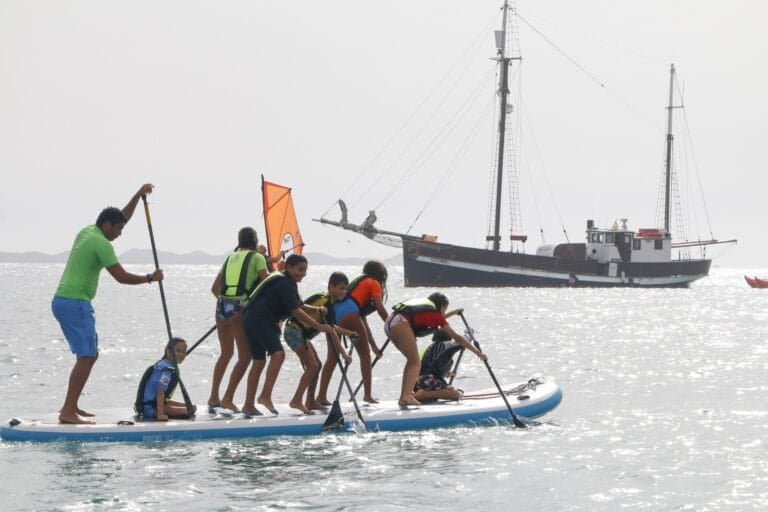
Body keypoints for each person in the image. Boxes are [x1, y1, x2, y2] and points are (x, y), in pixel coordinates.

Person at [52, 183, 164, 424]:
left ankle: (72, 406)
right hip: (75, 302)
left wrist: (137, 195)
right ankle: (67, 411)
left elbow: (121, 215)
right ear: (107, 226)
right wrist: (149, 278)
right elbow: (122, 277)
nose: (120, 233)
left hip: (63, 301)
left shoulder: (87, 231)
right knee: (87, 355)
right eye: (119, 229)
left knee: (90, 355)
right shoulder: (102, 244)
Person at [240, 254, 333, 415]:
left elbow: (300, 304)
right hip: (260, 320)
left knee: (259, 361)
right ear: (288, 267)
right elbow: (296, 311)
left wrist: (316, 309)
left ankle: (248, 405)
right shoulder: (286, 284)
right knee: (278, 354)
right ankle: (265, 396)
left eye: (305, 271)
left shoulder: (285, 281)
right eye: (299, 270)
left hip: (250, 319)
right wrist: (318, 325)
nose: (302, 274)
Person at [384, 292, 486, 407]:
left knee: (411, 361)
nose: (444, 312)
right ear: (442, 306)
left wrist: (453, 312)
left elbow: (436, 319)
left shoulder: (427, 312)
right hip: (400, 322)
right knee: (414, 362)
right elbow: (457, 337)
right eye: (445, 309)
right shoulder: (434, 314)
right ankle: (408, 396)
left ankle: (404, 397)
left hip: (390, 321)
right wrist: (478, 352)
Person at [207, 227, 268, 413]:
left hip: (221, 306)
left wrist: (226, 304)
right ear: (255, 240)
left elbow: (214, 288)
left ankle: (213, 397)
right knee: (246, 357)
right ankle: (228, 399)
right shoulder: (258, 258)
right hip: (239, 308)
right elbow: (266, 284)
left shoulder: (230, 258)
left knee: (226, 353)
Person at [316, 260, 388, 405]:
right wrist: (392, 324)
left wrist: (374, 346)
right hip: (350, 315)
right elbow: (380, 309)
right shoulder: (374, 282)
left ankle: (321, 397)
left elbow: (362, 320)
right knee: (365, 356)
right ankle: (367, 395)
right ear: (380, 275)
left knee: (332, 358)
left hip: (332, 316)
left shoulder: (357, 283)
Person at [282, 271, 355, 414]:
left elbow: (332, 327)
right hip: (294, 332)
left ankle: (310, 401)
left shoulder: (330, 303)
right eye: (340, 288)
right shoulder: (323, 300)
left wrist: (349, 333)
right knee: (312, 366)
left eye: (345, 289)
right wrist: (344, 354)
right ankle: (296, 400)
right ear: (331, 287)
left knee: (317, 365)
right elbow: (331, 332)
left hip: (301, 334)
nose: (343, 292)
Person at [413, 327, 483, 402]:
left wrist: (448, 374)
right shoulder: (445, 345)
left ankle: (418, 394)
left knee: (441, 392)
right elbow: (463, 341)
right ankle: (424, 394)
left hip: (416, 382)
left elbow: (429, 367)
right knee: (455, 394)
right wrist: (469, 332)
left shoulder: (431, 347)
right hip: (427, 380)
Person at [136, 337, 197, 420]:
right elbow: (160, 392)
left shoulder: (163, 364)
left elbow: (163, 398)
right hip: (151, 409)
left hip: (155, 404)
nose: (182, 355)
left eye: (184, 351)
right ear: (168, 352)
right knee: (189, 411)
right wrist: (160, 415)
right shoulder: (167, 370)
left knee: (192, 407)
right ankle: (162, 412)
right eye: (178, 351)